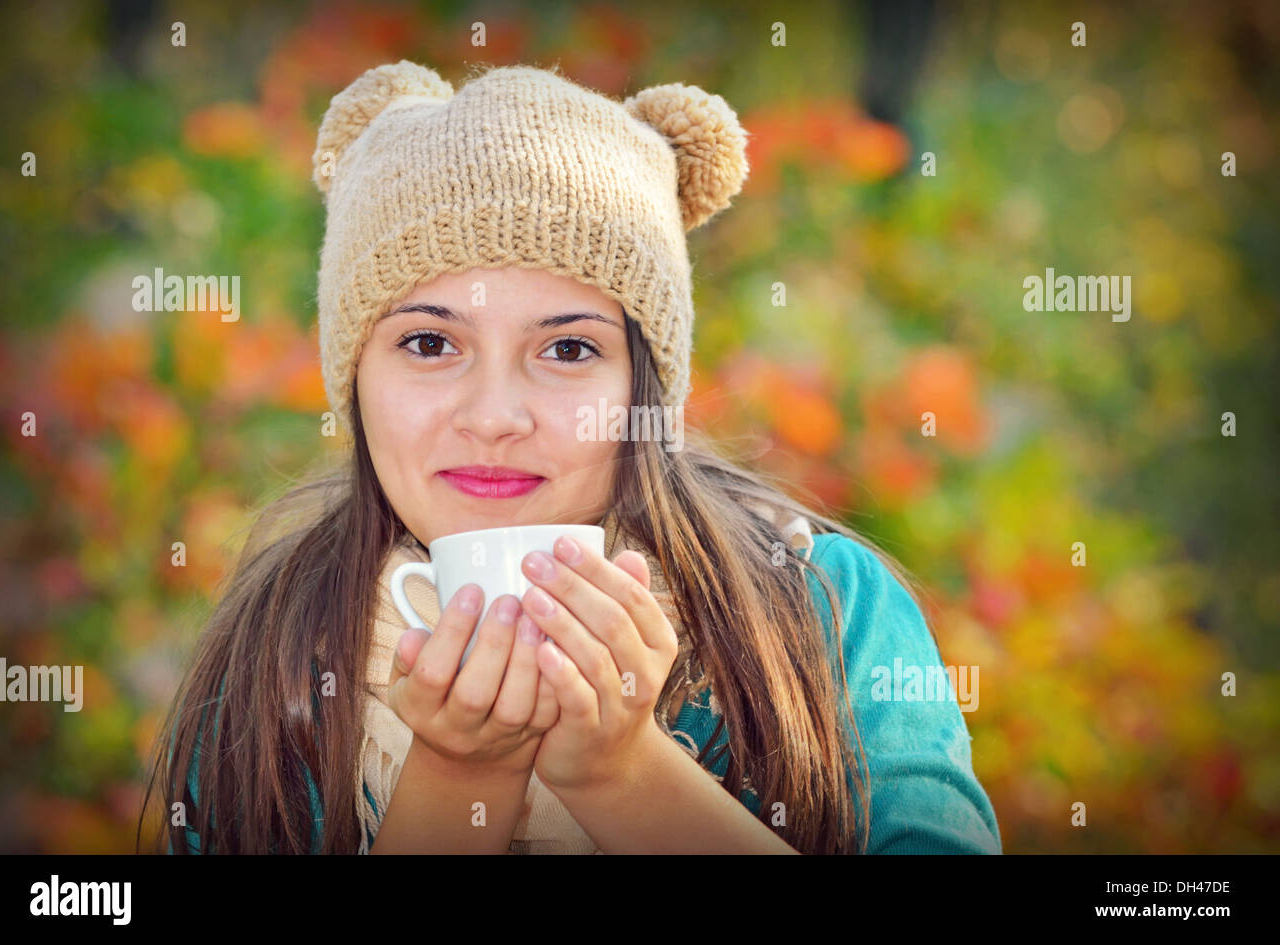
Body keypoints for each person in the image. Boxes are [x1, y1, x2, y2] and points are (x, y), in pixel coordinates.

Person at [140, 60, 1001, 855]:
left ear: (643, 387)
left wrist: (620, 772)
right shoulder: (275, 651)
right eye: (431, 341)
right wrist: (461, 776)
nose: (495, 417)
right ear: (354, 377)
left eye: (568, 351)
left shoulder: (827, 610)